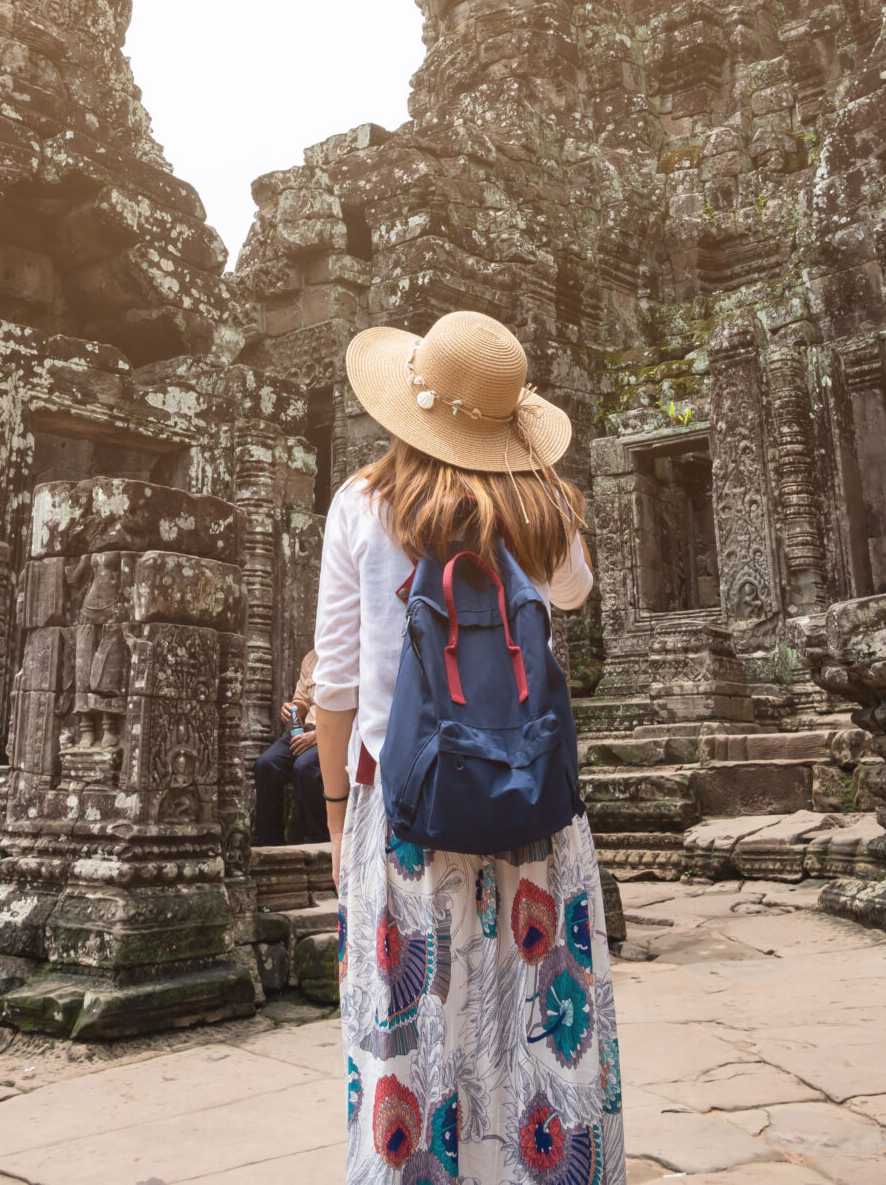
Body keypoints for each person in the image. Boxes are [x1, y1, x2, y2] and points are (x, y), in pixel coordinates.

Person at [311, 310, 621, 1182]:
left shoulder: (361, 503)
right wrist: (528, 467)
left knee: (413, 1035)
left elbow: (334, 686)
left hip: (405, 812)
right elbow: (575, 590)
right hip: (532, 808)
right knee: (539, 1037)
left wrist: (335, 818)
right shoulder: (541, 508)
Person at [253, 649, 327, 845]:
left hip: (335, 734)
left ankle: (318, 842)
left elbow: (354, 710)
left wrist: (320, 735)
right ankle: (270, 844)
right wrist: (293, 709)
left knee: (304, 767)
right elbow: (303, 702)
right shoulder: (311, 658)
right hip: (306, 729)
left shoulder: (351, 652)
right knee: (266, 764)